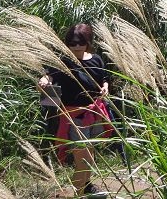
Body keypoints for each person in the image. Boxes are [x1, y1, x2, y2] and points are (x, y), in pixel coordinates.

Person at [38, 23, 113, 198]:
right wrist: (43, 80)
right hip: (74, 118)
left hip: (95, 114)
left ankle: (86, 187)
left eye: (81, 42)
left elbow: (105, 78)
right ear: (67, 43)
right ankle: (79, 194)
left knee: (90, 155)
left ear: (88, 42)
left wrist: (105, 87)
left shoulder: (96, 59)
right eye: (72, 43)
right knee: (83, 161)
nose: (77, 46)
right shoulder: (63, 62)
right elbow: (50, 75)